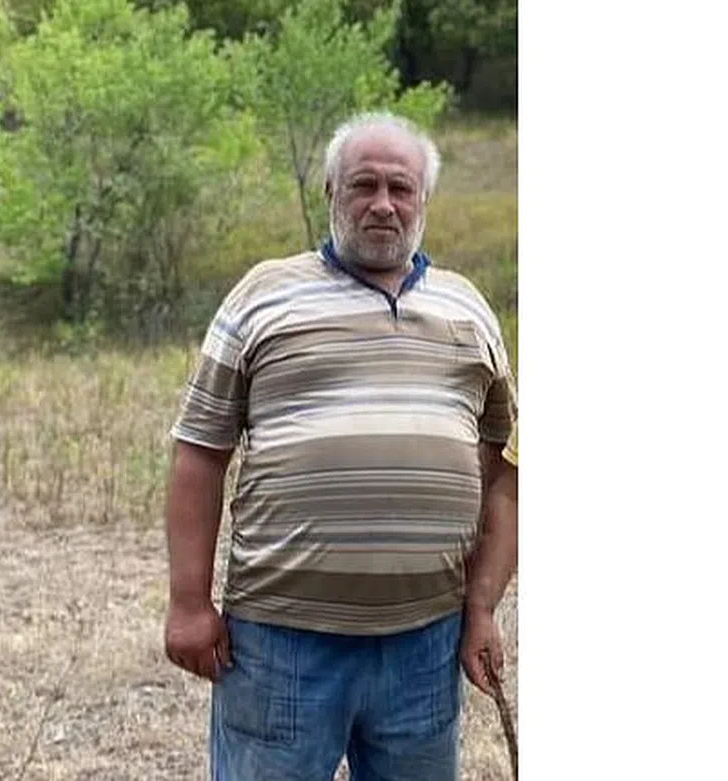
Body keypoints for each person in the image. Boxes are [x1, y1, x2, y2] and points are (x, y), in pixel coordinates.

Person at [162, 110, 518, 780]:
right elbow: (200, 452)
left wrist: (481, 609)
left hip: (425, 643)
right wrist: (188, 602)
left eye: (400, 188)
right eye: (363, 185)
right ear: (331, 192)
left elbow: (506, 470)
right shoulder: (263, 295)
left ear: (424, 199)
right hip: (281, 643)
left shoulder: (469, 308)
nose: (383, 204)